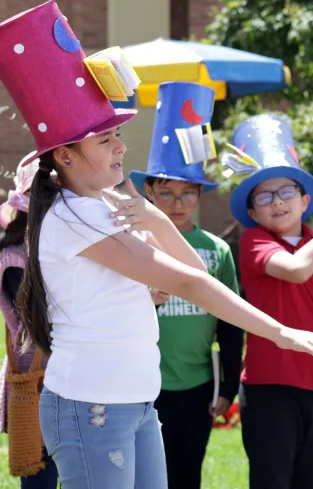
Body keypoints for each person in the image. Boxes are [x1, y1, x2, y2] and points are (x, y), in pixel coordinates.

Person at [0, 0, 313, 489]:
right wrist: (280, 332)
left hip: (134, 401)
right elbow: (187, 280)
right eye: (105, 141)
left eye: (117, 135)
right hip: (93, 406)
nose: (122, 146)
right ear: (66, 156)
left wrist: (157, 218)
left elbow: (194, 274)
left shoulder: (100, 208)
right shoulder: (73, 214)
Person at [222, 114, 313, 489]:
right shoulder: (254, 242)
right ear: (252, 212)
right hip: (267, 388)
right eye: (264, 196)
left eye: (286, 191)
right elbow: (297, 269)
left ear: (305, 200)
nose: (277, 202)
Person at [128, 81, 243, 489]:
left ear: (198, 195)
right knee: (144, 478)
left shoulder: (216, 251)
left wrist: (228, 386)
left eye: (187, 193)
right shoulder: (134, 244)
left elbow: (230, 323)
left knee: (187, 475)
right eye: (167, 193)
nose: (178, 204)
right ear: (149, 192)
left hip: (197, 387)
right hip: (142, 384)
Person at [0, 152, 58, 489]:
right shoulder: (14, 257)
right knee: (41, 475)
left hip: (62, 374)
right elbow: (39, 320)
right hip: (37, 379)